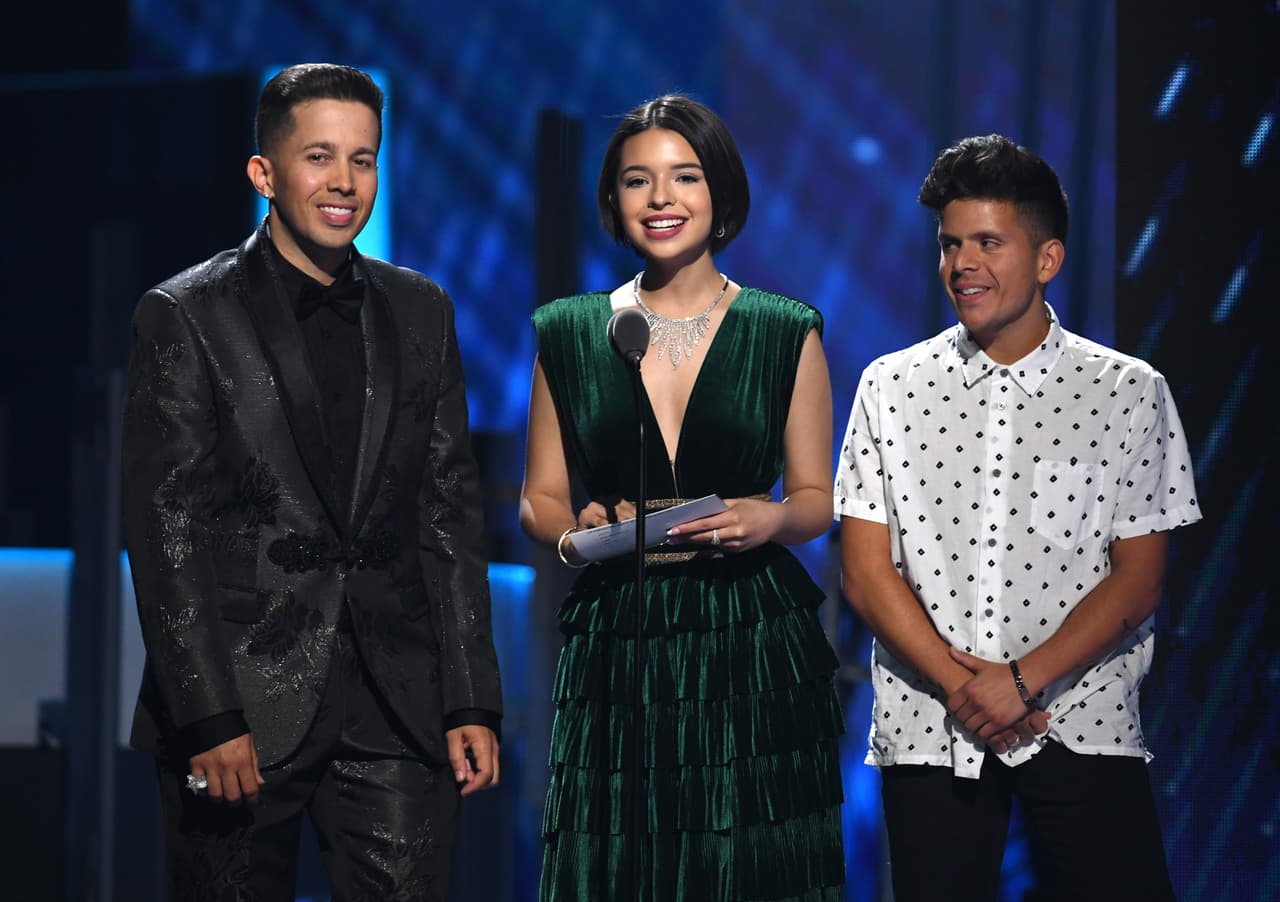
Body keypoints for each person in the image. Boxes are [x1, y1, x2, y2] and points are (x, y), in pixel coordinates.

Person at [122, 63, 501, 901]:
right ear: (264, 173)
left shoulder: (422, 310)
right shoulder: (187, 314)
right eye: (320, 157)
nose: (344, 182)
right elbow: (165, 530)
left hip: (395, 707)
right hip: (239, 712)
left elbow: (450, 513)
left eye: (363, 160)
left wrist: (471, 698)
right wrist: (208, 716)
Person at [836, 134, 1201, 901]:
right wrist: (969, 688)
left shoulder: (1129, 392)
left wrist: (1023, 683)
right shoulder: (890, 388)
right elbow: (867, 575)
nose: (962, 263)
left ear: (1047, 259)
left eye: (988, 242)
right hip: (931, 729)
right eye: (950, 244)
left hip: (1081, 718)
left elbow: (1137, 582)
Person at [520, 94, 846, 901]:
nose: (661, 199)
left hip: (750, 633)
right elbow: (540, 499)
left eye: (684, 176)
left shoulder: (783, 328)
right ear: (614, 202)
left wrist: (771, 517)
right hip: (619, 636)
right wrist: (578, 532)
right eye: (638, 181)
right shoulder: (567, 330)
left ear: (722, 194)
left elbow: (815, 496)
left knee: (753, 865)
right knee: (623, 861)